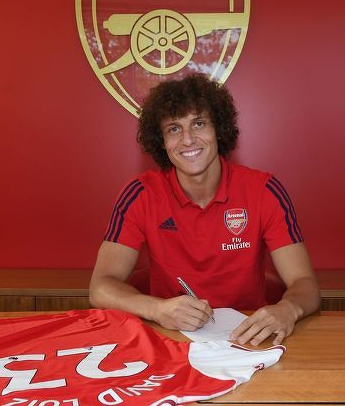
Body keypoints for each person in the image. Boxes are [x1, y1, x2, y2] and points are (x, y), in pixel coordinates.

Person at [90, 74, 320, 346]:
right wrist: (157, 309)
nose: (188, 140)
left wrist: (288, 309)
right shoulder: (139, 194)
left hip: (248, 339)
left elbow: (305, 283)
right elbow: (100, 287)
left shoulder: (265, 190)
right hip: (170, 338)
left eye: (198, 124)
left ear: (218, 129)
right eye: (174, 129)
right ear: (161, 141)